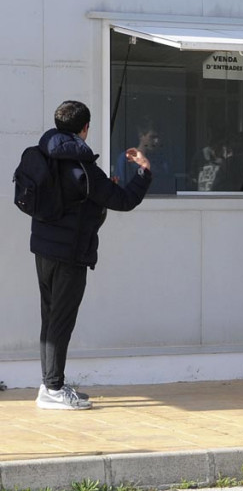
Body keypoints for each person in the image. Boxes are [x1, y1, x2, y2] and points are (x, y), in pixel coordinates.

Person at [31, 101, 152, 410]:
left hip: (43, 248)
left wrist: (95, 197)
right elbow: (124, 201)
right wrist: (143, 171)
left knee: (50, 317)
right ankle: (54, 390)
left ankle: (49, 385)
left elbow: (66, 201)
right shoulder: (84, 166)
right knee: (62, 321)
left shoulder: (43, 155)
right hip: (70, 253)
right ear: (84, 128)